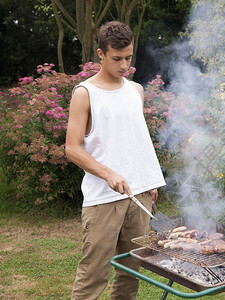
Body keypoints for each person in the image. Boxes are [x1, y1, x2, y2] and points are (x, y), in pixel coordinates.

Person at [65, 21, 166, 299]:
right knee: (93, 275)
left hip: (139, 194)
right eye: (116, 58)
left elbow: (133, 139)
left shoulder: (136, 91)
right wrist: (108, 173)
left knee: (130, 272)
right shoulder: (85, 93)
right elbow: (72, 148)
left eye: (129, 58)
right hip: (102, 199)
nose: (124, 65)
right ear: (101, 53)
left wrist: (149, 180)